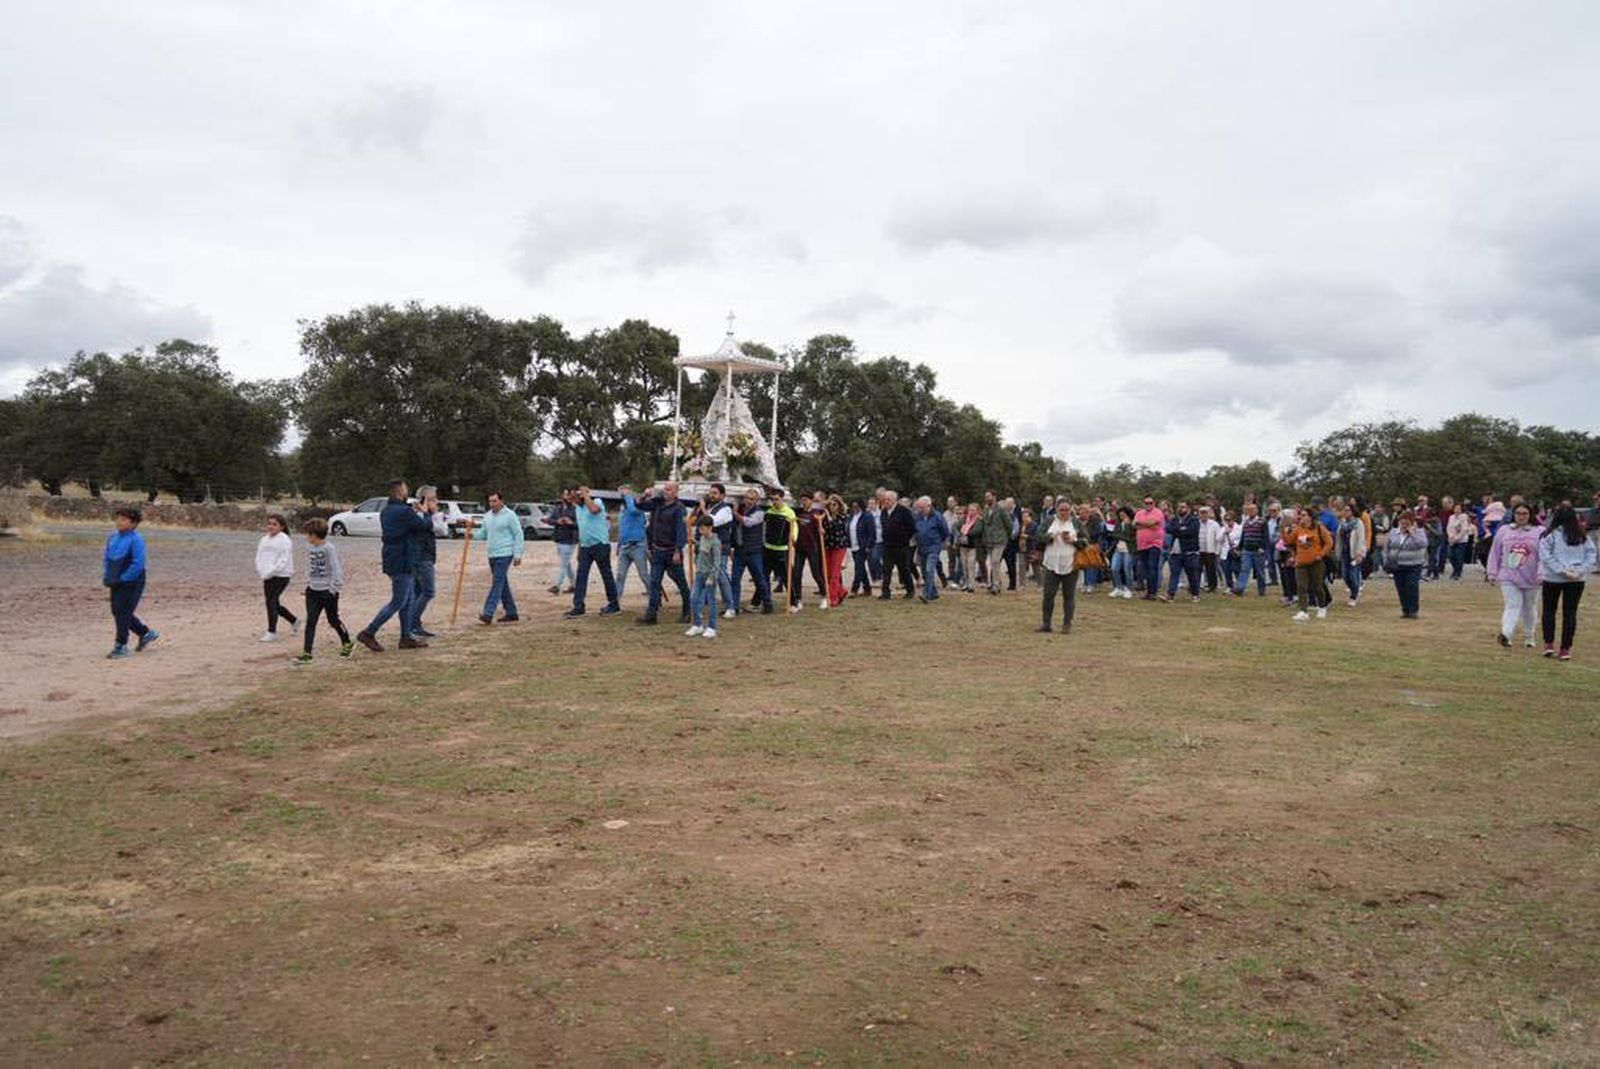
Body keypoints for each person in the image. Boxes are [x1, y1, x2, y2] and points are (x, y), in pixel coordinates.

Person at [358, 479, 433, 651]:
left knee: (408, 600)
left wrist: (412, 511)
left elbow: (405, 524)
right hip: (403, 559)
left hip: (393, 557)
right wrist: (425, 512)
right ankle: (369, 632)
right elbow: (424, 527)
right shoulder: (404, 512)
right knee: (398, 601)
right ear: (400, 493)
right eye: (405, 489)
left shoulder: (387, 511)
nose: (408, 492)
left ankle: (405, 637)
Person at [1538, 505, 1597, 660]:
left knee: (1549, 611)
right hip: (1575, 579)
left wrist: (1561, 570)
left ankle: (1548, 644)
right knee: (1570, 613)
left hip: (1553, 578)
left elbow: (1546, 556)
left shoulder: (1549, 535)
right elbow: (1591, 555)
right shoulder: (1582, 536)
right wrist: (1579, 571)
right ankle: (1565, 648)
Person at [296, 517, 353, 664]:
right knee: (311, 621)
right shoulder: (309, 548)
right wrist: (308, 584)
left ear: (315, 535)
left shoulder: (329, 548)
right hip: (312, 591)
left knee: (333, 619)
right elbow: (309, 566)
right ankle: (307, 653)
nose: (306, 537)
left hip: (327, 592)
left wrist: (333, 589)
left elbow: (336, 569)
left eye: (308, 534)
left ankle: (347, 642)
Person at [103, 505, 157, 659]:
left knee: (123, 612)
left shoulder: (136, 539)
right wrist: (108, 576)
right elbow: (107, 558)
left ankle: (121, 646)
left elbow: (138, 563)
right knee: (117, 611)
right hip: (115, 579)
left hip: (133, 581)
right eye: (118, 518)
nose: (119, 522)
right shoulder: (112, 538)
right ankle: (145, 633)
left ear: (133, 523)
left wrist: (124, 578)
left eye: (124, 519)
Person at [1486, 503, 1541, 649]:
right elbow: (1495, 552)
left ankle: (1530, 636)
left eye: (1525, 513)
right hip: (1508, 575)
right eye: (1518, 513)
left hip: (1533, 576)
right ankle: (1506, 634)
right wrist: (1492, 572)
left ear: (1530, 515)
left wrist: (1542, 573)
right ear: (1513, 514)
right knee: (1512, 605)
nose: (1521, 516)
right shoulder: (1504, 530)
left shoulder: (1539, 531)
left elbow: (1545, 555)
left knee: (1529, 607)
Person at [636, 481, 690, 626]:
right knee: (655, 582)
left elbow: (681, 531)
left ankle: (687, 611)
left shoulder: (679, 508)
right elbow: (640, 506)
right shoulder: (658, 503)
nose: (666, 492)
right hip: (658, 551)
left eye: (670, 490)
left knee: (680, 582)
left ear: (676, 492)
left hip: (672, 551)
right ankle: (651, 615)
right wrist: (644, 495)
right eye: (665, 489)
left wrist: (678, 551)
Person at [565, 485, 621, 618]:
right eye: (571, 497)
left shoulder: (596, 502)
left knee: (606, 575)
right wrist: (580, 548)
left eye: (574, 496)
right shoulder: (577, 508)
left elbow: (594, 510)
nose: (572, 500)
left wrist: (586, 496)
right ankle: (578, 606)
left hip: (600, 545)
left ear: (580, 495)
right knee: (581, 576)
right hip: (586, 547)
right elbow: (582, 529)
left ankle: (614, 604)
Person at [474, 490, 525, 625]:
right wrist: (471, 533)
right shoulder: (487, 516)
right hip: (492, 554)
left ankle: (488, 613)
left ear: (501, 501)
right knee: (502, 584)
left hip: (505, 553)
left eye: (495, 501)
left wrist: (518, 554)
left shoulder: (510, 515)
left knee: (497, 582)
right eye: (490, 501)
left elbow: (518, 534)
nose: (492, 504)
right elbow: (483, 534)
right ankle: (511, 612)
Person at [1036, 499, 1082, 634]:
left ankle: (1067, 624)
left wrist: (1074, 541)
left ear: (1071, 510)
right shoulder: (1049, 521)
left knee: (1069, 596)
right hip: (1051, 564)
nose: (1064, 512)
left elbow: (1086, 541)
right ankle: (1046, 624)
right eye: (1061, 509)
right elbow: (1038, 537)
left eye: (1067, 510)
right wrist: (1051, 537)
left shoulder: (1076, 522)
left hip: (1071, 564)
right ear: (1056, 509)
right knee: (1048, 595)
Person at [255, 513, 298, 642]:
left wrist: (270, 572)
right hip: (267, 575)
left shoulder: (284, 540)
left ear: (282, 526)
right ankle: (294, 620)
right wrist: (261, 570)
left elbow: (283, 561)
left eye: (274, 524)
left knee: (271, 602)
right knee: (274, 603)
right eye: (269, 524)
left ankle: (271, 631)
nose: (271, 526)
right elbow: (259, 556)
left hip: (281, 575)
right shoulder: (264, 539)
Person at [731, 488, 774, 614]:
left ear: (757, 500)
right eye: (746, 498)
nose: (748, 501)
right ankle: (734, 607)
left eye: (751, 499)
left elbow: (748, 522)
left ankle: (767, 604)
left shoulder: (760, 512)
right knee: (735, 579)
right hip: (740, 550)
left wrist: (734, 512)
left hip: (754, 551)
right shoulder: (741, 510)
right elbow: (734, 530)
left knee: (759, 579)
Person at [409, 486, 444, 639]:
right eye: (433, 499)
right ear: (425, 500)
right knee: (428, 591)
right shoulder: (418, 515)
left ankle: (414, 625)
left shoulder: (427, 515)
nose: (436, 502)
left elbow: (443, 530)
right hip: (422, 558)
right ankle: (410, 623)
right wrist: (431, 513)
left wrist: (433, 513)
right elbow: (438, 528)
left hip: (424, 557)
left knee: (417, 593)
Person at [1287, 507, 1334, 621]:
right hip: (1301, 562)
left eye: (1304, 515)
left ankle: (1322, 607)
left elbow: (1329, 543)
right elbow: (1289, 541)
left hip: (1316, 562)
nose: (1301, 517)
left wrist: (1321, 554)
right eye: (1300, 515)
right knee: (1301, 586)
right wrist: (1284, 530)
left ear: (1310, 517)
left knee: (1317, 586)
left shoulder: (1319, 528)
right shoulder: (1298, 529)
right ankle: (1303, 610)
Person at [1384, 509, 1429, 620]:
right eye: (1402, 523)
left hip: (1413, 565)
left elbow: (1423, 544)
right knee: (1401, 588)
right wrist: (1387, 559)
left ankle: (1413, 610)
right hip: (1397, 565)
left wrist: (1412, 534)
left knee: (1412, 587)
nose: (1404, 525)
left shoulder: (1419, 532)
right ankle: (1405, 610)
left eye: (1407, 523)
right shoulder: (1394, 532)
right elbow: (1388, 547)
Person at [685, 512, 723, 639]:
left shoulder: (715, 542)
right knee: (694, 598)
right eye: (699, 528)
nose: (700, 530)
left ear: (710, 527)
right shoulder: (702, 539)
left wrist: (712, 577)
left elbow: (717, 562)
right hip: (700, 573)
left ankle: (712, 627)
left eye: (702, 528)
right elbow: (702, 550)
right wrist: (694, 542)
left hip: (709, 575)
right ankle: (697, 624)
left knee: (711, 601)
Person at [788, 492, 825, 612]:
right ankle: (798, 599)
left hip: (812, 547)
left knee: (816, 573)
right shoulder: (799, 514)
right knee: (797, 574)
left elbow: (820, 528)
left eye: (806, 500)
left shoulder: (816, 514)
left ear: (811, 501)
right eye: (802, 500)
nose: (804, 502)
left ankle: (824, 596)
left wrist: (821, 530)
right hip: (799, 548)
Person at [879, 489, 918, 599]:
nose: (886, 502)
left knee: (904, 569)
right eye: (884, 499)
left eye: (888, 499)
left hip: (901, 546)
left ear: (894, 500)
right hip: (887, 546)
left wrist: (905, 539)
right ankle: (885, 593)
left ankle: (910, 591)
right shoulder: (884, 512)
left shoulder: (903, 511)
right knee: (886, 570)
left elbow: (912, 527)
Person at [614, 485, 650, 602]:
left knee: (644, 575)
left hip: (638, 546)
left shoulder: (637, 507)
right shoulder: (623, 510)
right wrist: (619, 544)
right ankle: (615, 601)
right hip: (625, 546)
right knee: (620, 575)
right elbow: (623, 528)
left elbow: (633, 510)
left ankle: (654, 596)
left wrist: (628, 496)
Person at [1160, 502, 1201, 602]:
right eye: (1179, 507)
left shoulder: (1193, 520)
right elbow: (1168, 528)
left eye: (1183, 507)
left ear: (1188, 509)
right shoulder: (1175, 519)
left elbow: (1191, 531)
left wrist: (1178, 530)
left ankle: (1195, 594)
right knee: (1174, 574)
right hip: (1175, 552)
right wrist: (1181, 529)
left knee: (1191, 575)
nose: (1180, 509)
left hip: (1189, 552)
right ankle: (1170, 595)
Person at [913, 495, 949, 603]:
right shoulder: (917, 517)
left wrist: (938, 543)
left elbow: (945, 531)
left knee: (929, 569)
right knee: (924, 572)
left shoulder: (938, 517)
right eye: (918, 507)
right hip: (922, 548)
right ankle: (934, 593)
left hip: (933, 547)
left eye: (921, 507)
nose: (919, 509)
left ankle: (926, 594)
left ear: (929, 506)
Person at [763, 489, 796, 601]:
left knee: (786, 577)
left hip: (782, 549)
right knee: (764, 575)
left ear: (782, 499)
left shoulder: (789, 512)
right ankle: (762, 600)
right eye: (772, 499)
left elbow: (794, 527)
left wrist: (793, 537)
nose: (774, 502)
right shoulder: (769, 512)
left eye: (777, 499)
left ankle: (794, 601)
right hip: (768, 548)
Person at [1234, 501, 1269, 597]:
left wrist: (1262, 547)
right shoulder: (1245, 522)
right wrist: (1239, 548)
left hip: (1258, 550)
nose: (1251, 511)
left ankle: (1262, 591)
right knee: (1244, 569)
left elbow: (1265, 536)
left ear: (1257, 511)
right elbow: (1243, 536)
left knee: (1260, 572)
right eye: (1249, 510)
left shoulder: (1262, 521)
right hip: (1247, 550)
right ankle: (1240, 589)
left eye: (1253, 509)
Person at [979, 491, 1011, 595]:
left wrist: (1006, 536)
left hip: (1000, 540)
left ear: (994, 497)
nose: (987, 498)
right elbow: (985, 523)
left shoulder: (1001, 509)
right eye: (985, 496)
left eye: (988, 496)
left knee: (995, 561)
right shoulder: (986, 509)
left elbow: (1009, 524)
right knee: (992, 563)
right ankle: (994, 583)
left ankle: (996, 585)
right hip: (989, 540)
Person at [1133, 495, 1165, 601]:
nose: (1148, 505)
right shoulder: (1139, 513)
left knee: (1152, 567)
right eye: (1146, 503)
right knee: (1145, 569)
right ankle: (1149, 591)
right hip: (1142, 544)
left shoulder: (1158, 512)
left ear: (1154, 503)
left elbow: (1152, 523)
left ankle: (1153, 592)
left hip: (1154, 544)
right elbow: (1135, 525)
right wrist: (1148, 525)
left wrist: (1143, 524)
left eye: (1150, 503)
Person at [547, 488, 578, 594]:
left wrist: (571, 523)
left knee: (563, 564)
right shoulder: (558, 508)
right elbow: (549, 520)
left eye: (569, 495)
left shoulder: (576, 509)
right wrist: (557, 521)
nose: (568, 497)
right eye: (566, 495)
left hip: (570, 540)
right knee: (567, 563)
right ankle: (574, 585)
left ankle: (557, 585)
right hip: (559, 539)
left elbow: (581, 525)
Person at [1339, 502, 1369, 607]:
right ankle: (1353, 589)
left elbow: (1361, 539)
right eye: (1344, 510)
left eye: (1348, 510)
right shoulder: (1342, 523)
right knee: (1345, 575)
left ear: (1352, 512)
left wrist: (1359, 553)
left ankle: (1353, 596)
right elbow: (1338, 537)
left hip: (1354, 552)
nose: (1345, 512)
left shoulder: (1358, 523)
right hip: (1344, 552)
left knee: (1353, 575)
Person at [823, 494, 850, 607]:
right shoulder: (824, 518)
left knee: (835, 574)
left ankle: (833, 598)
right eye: (830, 505)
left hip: (839, 547)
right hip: (828, 546)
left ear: (839, 505)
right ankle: (842, 591)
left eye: (834, 504)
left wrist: (829, 516)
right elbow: (825, 528)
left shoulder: (843, 517)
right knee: (828, 573)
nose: (832, 507)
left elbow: (835, 527)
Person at [848, 498, 878, 596]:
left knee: (858, 568)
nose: (855, 508)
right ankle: (867, 588)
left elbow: (872, 532)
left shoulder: (867, 516)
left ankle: (854, 589)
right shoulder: (852, 516)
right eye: (853, 507)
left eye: (857, 506)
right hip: (853, 545)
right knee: (861, 569)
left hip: (863, 546)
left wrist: (869, 545)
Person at [1109, 504, 1137, 598]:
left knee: (1127, 570)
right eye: (1120, 515)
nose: (1122, 517)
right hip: (1118, 549)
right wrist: (1121, 536)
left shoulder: (1132, 524)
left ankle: (1129, 589)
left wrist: (1128, 526)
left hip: (1128, 550)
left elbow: (1131, 538)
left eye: (1123, 515)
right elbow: (1114, 534)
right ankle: (1118, 588)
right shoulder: (1118, 523)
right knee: (1114, 568)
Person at [956, 503, 981, 593]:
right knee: (964, 565)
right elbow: (955, 526)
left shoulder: (978, 520)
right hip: (963, 545)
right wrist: (959, 533)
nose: (971, 512)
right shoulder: (964, 519)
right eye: (970, 510)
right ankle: (966, 583)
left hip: (973, 545)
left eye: (973, 510)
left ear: (977, 511)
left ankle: (971, 584)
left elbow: (978, 530)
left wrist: (967, 532)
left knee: (971, 565)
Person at [1197, 506, 1222, 593]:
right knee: (1197, 569)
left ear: (1208, 514)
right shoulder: (1196, 523)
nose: (1203, 515)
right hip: (1199, 550)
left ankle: (1212, 586)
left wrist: (1217, 551)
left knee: (1210, 569)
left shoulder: (1214, 524)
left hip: (1210, 550)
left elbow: (1218, 538)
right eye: (1201, 513)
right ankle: (1196, 585)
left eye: (1205, 513)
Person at [1446, 501, 1474, 581]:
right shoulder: (1451, 517)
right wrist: (1451, 536)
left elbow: (1464, 529)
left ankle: (1458, 572)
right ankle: (1455, 570)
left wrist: (1457, 538)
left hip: (1461, 540)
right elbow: (1449, 528)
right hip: (1452, 539)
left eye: (1459, 509)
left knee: (1459, 557)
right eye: (1456, 508)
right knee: (1451, 556)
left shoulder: (1464, 517)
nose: (1457, 510)